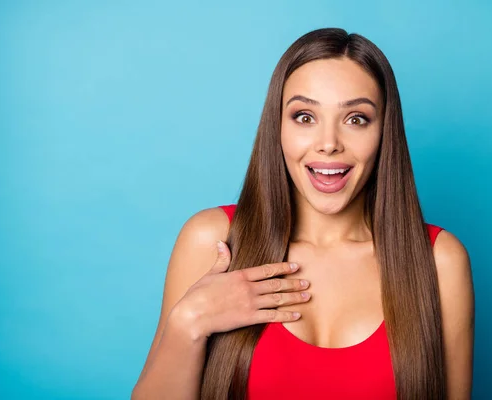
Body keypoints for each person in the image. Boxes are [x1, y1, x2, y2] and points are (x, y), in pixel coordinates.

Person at [131, 27, 474, 400]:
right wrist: (188, 323)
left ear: (384, 133)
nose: (328, 144)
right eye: (305, 116)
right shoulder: (212, 241)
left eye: (356, 118)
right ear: (276, 127)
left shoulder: (439, 260)